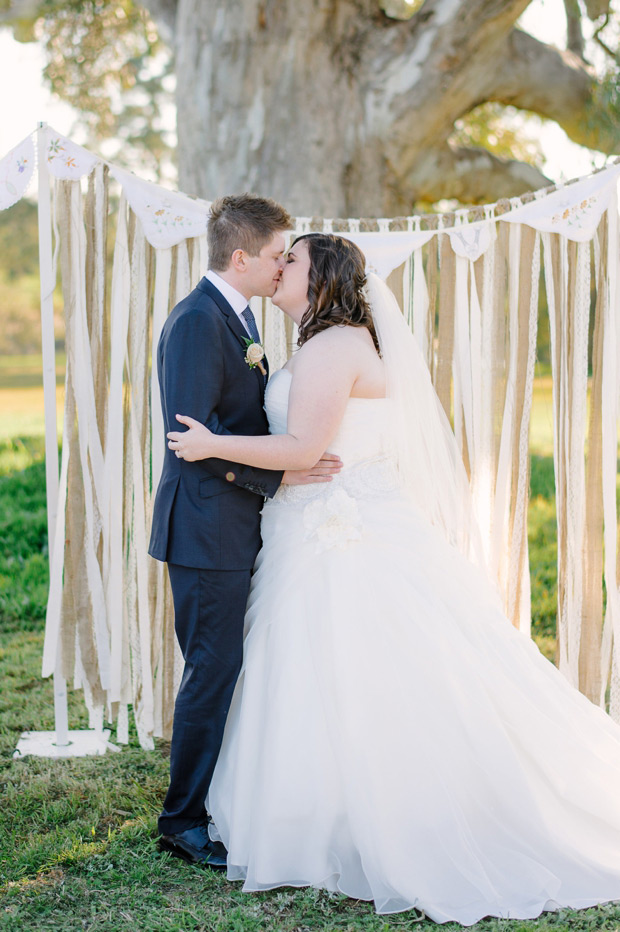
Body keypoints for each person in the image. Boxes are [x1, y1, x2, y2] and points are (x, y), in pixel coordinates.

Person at [166, 233, 620, 923]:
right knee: (320, 676)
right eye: (278, 258)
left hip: (340, 536)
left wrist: (210, 444)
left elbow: (305, 449)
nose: (280, 267)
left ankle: (367, 819)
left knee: (358, 673)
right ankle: (322, 807)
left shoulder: (333, 346)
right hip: (316, 524)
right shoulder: (323, 343)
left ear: (322, 281)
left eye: (294, 261)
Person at [149, 200, 342, 869]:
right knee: (213, 668)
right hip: (205, 530)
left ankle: (210, 801)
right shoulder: (199, 322)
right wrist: (280, 478)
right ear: (242, 258)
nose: (283, 264)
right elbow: (189, 441)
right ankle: (182, 821)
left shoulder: (241, 318)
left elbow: (231, 430)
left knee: (223, 665)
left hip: (233, 526)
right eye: (276, 255)